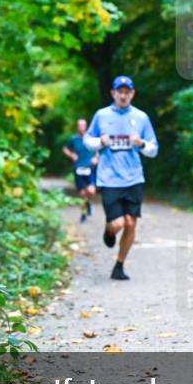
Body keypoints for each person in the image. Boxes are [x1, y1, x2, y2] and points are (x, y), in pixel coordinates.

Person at [83, 76, 159, 281]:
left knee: (131, 223)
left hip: (134, 178)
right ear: (113, 93)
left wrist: (141, 143)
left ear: (132, 94)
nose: (123, 95)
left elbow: (154, 149)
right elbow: (87, 140)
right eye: (120, 91)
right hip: (109, 179)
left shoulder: (141, 117)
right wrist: (100, 141)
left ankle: (119, 265)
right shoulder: (102, 115)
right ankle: (109, 231)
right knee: (117, 224)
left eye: (127, 91)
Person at [63, 118, 98, 223]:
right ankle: (83, 214)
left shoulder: (91, 139)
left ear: (86, 127)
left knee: (91, 191)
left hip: (90, 168)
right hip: (78, 168)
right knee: (82, 194)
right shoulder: (74, 139)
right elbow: (65, 148)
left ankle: (89, 203)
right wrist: (71, 155)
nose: (82, 128)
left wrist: (96, 158)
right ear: (77, 127)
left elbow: (99, 149)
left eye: (83, 125)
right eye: (80, 125)